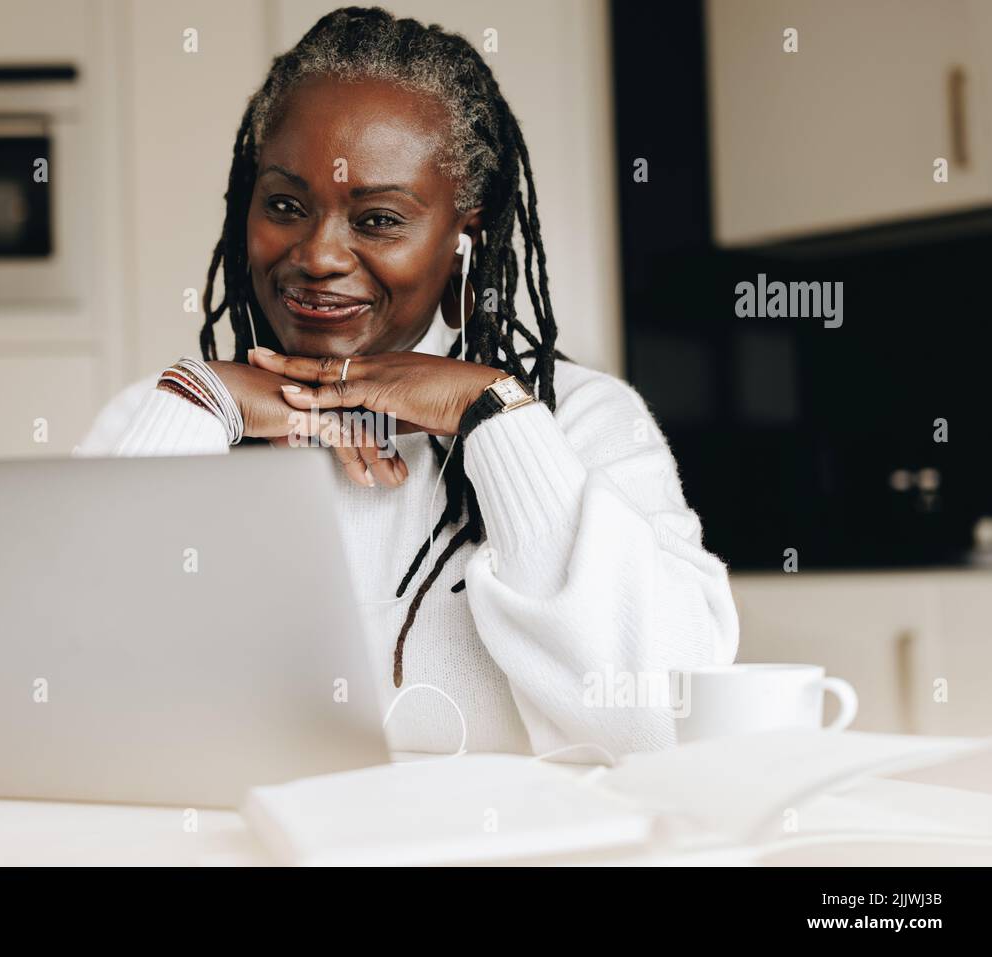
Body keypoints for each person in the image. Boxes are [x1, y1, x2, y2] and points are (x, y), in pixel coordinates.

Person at [78, 6, 739, 757]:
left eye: (380, 219)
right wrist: (201, 409)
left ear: (466, 234)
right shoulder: (170, 416)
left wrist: (489, 415)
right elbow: (51, 696)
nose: (319, 254)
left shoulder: (580, 420)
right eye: (285, 205)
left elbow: (666, 715)